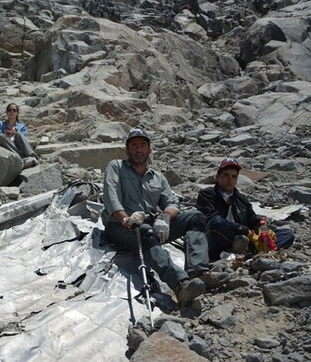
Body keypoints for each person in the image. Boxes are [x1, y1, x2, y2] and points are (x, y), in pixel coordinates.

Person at [101, 128, 229, 306]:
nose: (139, 149)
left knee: (195, 217)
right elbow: (110, 196)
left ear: (149, 150)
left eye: (143, 145)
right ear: (127, 150)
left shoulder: (157, 177)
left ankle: (198, 272)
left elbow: (172, 202)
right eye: (134, 145)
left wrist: (166, 217)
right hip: (119, 226)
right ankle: (180, 286)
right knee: (146, 232)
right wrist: (125, 219)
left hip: (149, 223)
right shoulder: (116, 167)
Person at [196, 158, 295, 261]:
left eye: (234, 176)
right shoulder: (207, 195)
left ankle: (249, 251)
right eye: (226, 175)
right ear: (218, 177)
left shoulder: (241, 199)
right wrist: (246, 231)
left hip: (245, 239)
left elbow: (253, 220)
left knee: (287, 234)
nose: (229, 179)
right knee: (217, 222)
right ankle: (247, 251)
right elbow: (210, 219)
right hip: (219, 239)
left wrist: (263, 231)